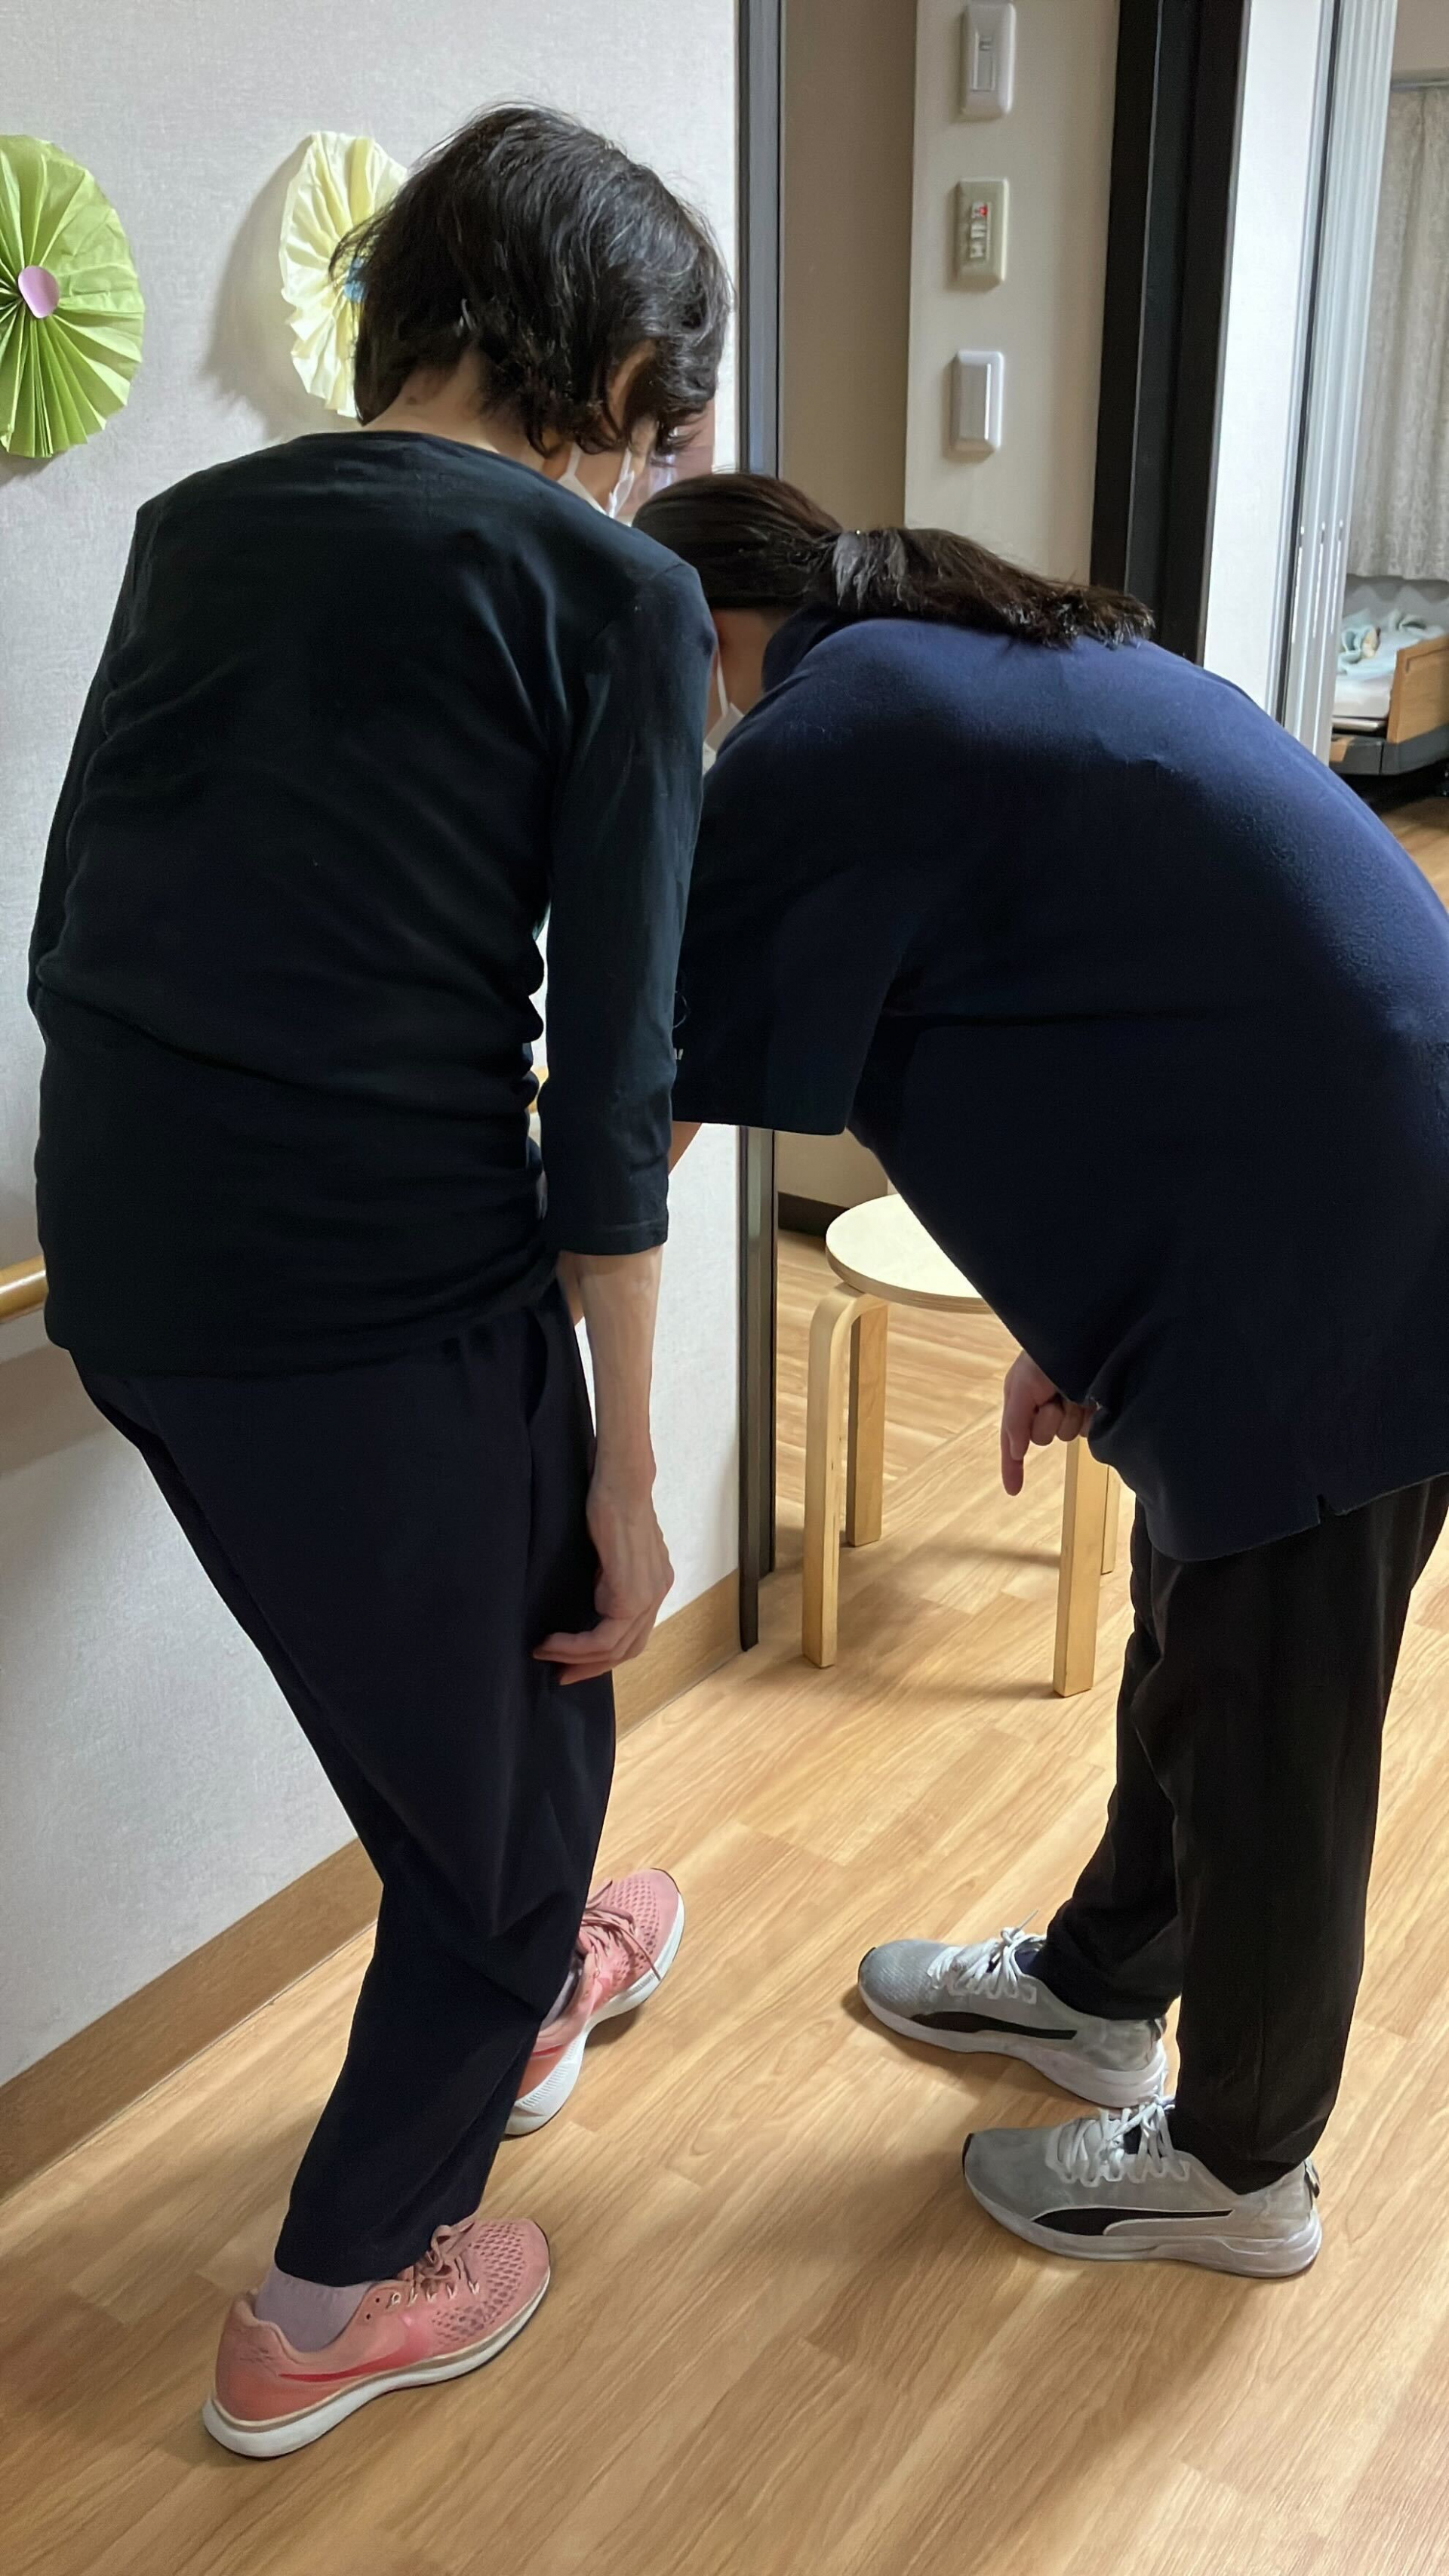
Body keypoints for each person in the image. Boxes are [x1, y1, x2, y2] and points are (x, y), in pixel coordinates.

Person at [29, 107, 726, 2454]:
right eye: (663, 429)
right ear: (619, 378)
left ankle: (520, 1985)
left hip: (134, 1280)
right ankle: (330, 2295)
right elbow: (610, 1096)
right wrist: (632, 1471)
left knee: (473, 1731)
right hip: (378, 1301)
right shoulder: (611, 594)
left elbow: (74, 928)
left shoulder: (197, 529)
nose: (647, 475)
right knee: (513, 1808)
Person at [635, 469, 1449, 2280]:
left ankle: (1243, 2172)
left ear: (687, 632)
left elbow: (648, 1116)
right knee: (1198, 1632)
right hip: (1300, 1186)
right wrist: (1072, 1324)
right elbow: (1104, 1009)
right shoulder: (942, 661)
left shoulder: (829, 735)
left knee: (1272, 1712)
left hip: (1347, 1237)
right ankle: (1101, 1991)